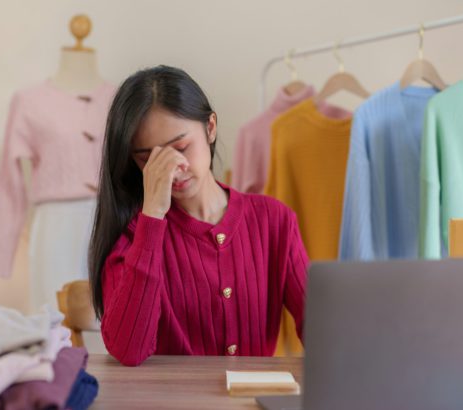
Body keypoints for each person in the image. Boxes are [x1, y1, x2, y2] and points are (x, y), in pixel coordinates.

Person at [89, 65, 308, 366]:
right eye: (148, 158)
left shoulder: (274, 221)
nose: (172, 168)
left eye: (181, 147)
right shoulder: (131, 236)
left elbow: (322, 331)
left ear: (211, 128)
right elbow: (129, 351)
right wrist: (153, 217)